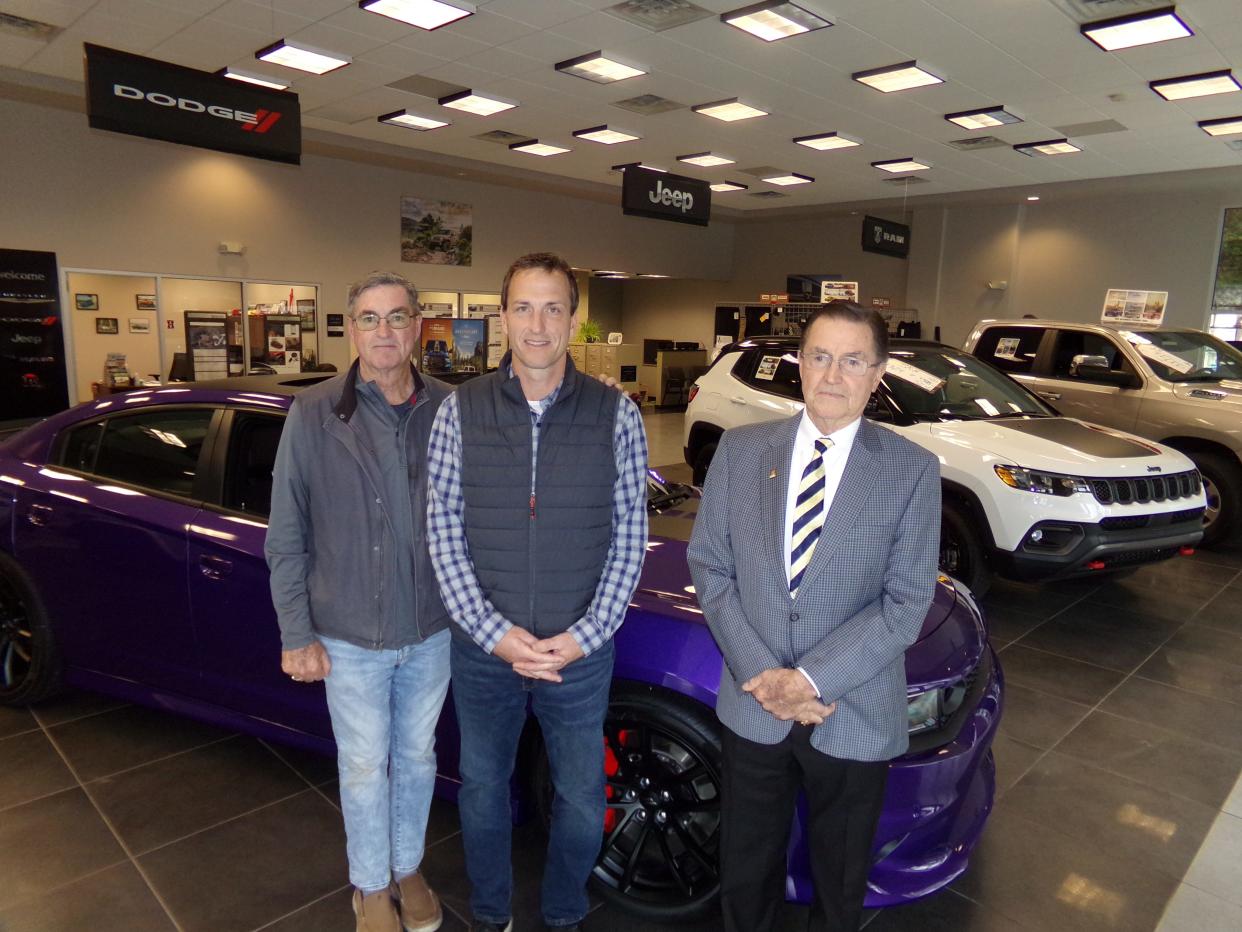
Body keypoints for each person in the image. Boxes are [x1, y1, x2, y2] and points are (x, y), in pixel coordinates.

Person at [687, 302, 940, 932]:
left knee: (841, 879)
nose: (833, 375)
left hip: (851, 711)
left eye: (852, 361)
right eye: (820, 356)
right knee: (745, 872)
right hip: (754, 707)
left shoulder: (910, 469)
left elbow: (907, 601)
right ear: (798, 364)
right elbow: (711, 568)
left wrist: (809, 682)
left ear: (878, 373)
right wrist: (766, 677)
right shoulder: (741, 452)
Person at [426, 252, 648, 932]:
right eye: (523, 306)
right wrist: (493, 633)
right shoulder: (457, 413)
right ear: (502, 318)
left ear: (574, 320)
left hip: (577, 658)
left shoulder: (618, 416)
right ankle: (491, 914)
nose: (538, 323)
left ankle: (562, 913)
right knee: (485, 792)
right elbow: (443, 533)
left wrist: (582, 637)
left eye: (554, 307)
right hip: (484, 654)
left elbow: (628, 538)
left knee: (582, 802)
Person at [266, 271, 452, 932]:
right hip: (348, 632)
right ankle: (370, 885)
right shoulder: (315, 413)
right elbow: (286, 532)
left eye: (397, 318)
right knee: (366, 763)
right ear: (350, 330)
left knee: (419, 757)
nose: (384, 332)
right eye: (369, 319)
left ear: (418, 327)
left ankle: (407, 867)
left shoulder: (448, 408)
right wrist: (297, 632)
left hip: (431, 630)